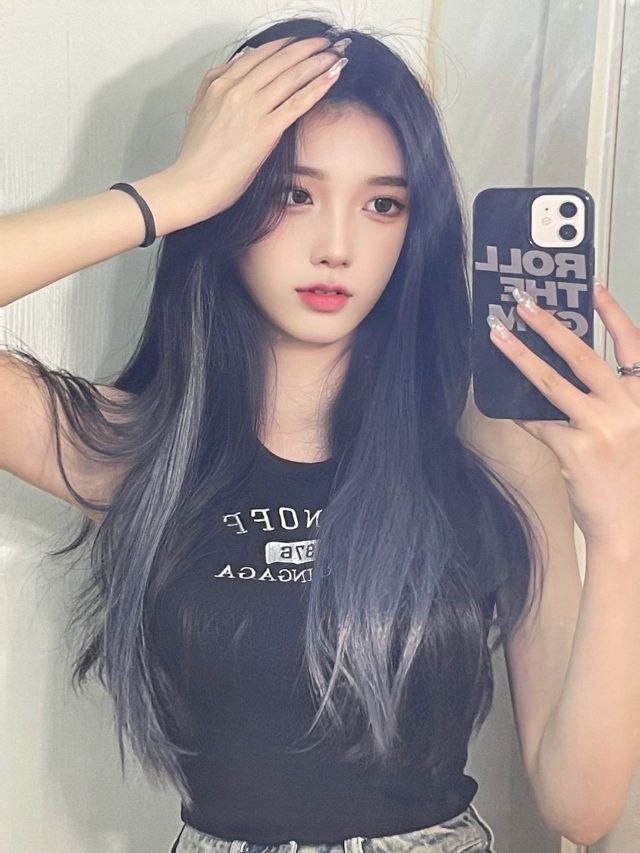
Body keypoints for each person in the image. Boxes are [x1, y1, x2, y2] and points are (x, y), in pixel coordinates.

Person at [3, 15, 640, 853]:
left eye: (382, 204)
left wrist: (621, 530)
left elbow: (579, 807)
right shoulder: (131, 449)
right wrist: (174, 193)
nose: (337, 246)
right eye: (293, 194)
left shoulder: (491, 446)